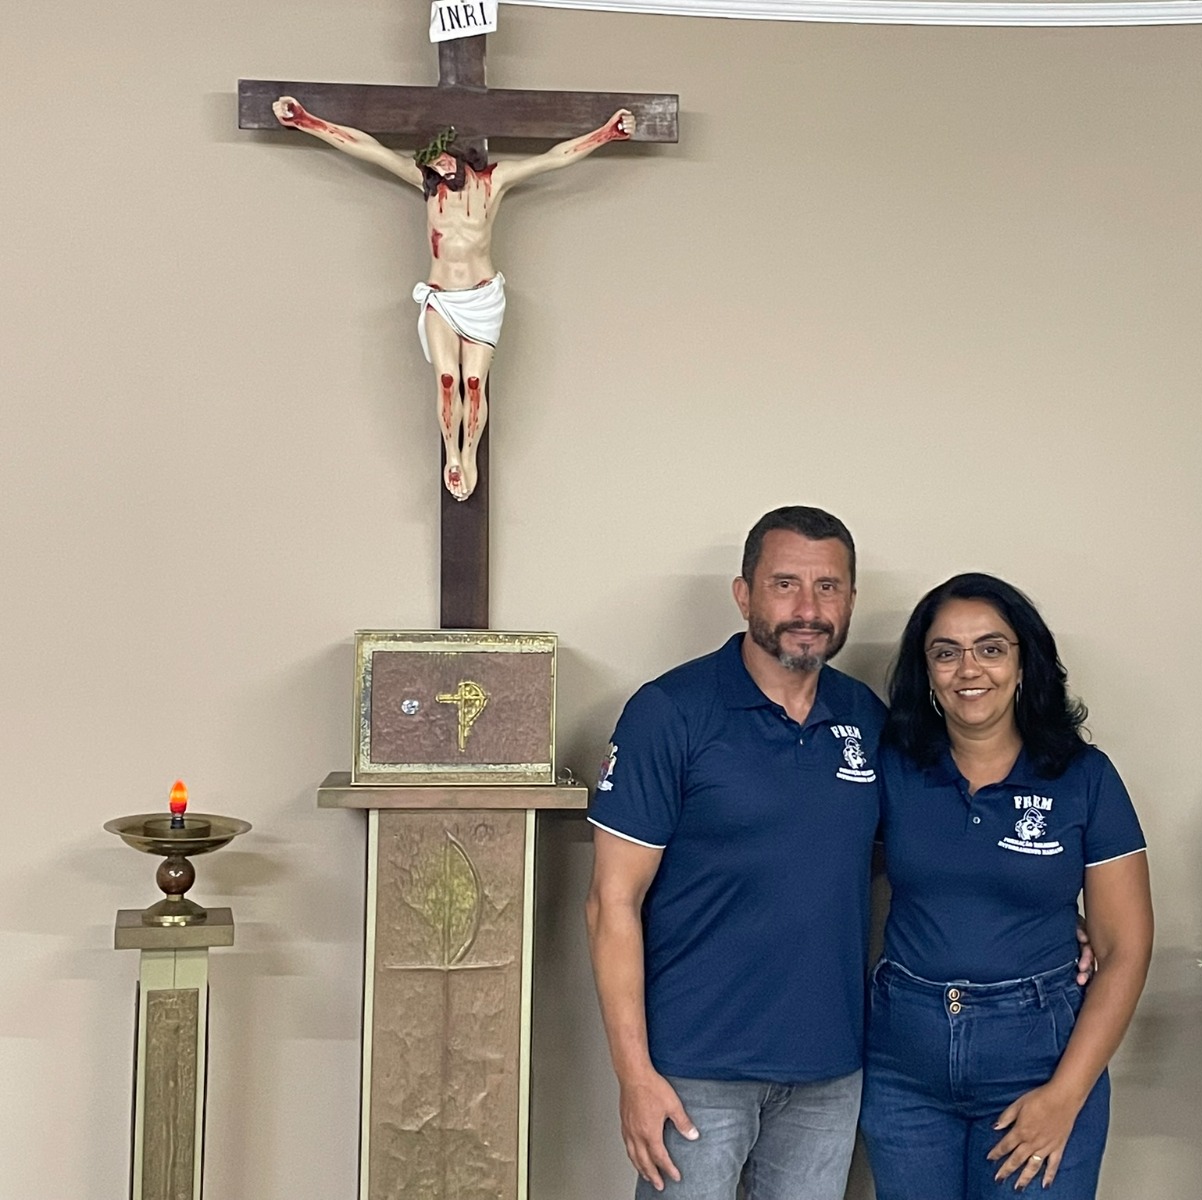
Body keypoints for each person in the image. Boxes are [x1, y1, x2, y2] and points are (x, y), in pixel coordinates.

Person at [585, 506, 886, 1199]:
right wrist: (634, 1074)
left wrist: (1057, 916)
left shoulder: (868, 718)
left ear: (850, 600)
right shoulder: (671, 711)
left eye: (828, 587)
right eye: (785, 584)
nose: (807, 609)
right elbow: (610, 903)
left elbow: (930, 855)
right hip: (695, 1070)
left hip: (829, 1070)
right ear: (744, 594)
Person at [860, 574, 1153, 1200]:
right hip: (903, 1068)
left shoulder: (1085, 777)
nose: (969, 669)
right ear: (926, 671)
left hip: (1039, 1063)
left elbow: (1125, 950)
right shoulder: (892, 770)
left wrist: (1065, 1096)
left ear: (1024, 664)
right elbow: (819, 863)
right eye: (946, 652)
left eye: (991, 648)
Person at [270, 96, 635, 500]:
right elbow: (368, 149)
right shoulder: (427, 187)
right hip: (441, 298)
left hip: (482, 297)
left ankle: (470, 454)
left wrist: (607, 133)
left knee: (474, 383)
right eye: (433, 164)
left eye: (444, 159)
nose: (440, 168)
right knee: (447, 381)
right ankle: (452, 456)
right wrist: (307, 121)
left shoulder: (494, 181)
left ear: (459, 153)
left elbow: (553, 158)